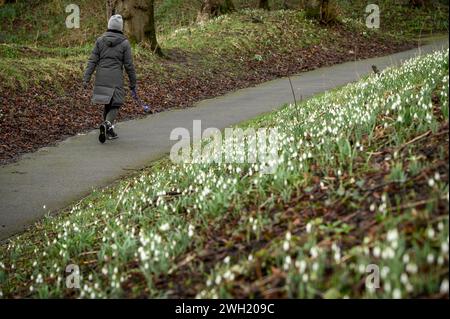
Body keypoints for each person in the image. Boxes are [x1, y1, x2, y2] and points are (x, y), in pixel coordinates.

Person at [83, 14, 137, 143]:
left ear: (109, 26)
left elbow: (92, 61)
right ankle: (107, 124)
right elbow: (129, 65)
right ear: (120, 27)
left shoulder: (100, 41)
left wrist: (86, 78)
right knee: (116, 103)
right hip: (115, 77)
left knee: (107, 101)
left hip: (101, 76)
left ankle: (109, 131)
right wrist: (133, 82)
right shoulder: (124, 43)